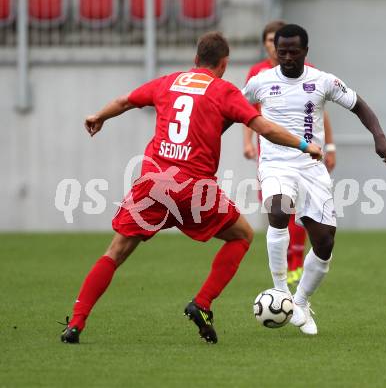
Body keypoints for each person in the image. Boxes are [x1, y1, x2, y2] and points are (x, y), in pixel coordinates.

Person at [60, 31, 323, 345]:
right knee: (242, 235)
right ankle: (203, 303)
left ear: (196, 59)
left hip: (152, 185)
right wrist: (305, 145)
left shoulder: (167, 81)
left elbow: (125, 101)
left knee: (114, 253)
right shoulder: (223, 90)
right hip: (194, 189)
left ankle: (76, 323)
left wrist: (98, 116)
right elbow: (263, 127)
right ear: (223, 64)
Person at [242, 24, 386, 335]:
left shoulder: (322, 81)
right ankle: (281, 290)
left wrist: (379, 136)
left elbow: (358, 105)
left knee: (324, 242)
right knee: (279, 212)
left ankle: (300, 301)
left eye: (292, 52)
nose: (285, 57)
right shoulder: (260, 82)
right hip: (275, 163)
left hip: (311, 167)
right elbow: (230, 110)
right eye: (281, 51)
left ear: (305, 52)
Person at [242, 20, 337, 287]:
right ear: (267, 45)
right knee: (280, 209)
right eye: (273, 42)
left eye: (288, 47)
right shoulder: (258, 75)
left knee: (306, 219)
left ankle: (296, 265)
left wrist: (330, 146)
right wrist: (248, 142)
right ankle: (282, 281)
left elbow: (321, 113)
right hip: (272, 156)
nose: (281, 52)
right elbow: (246, 112)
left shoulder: (313, 75)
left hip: (308, 158)